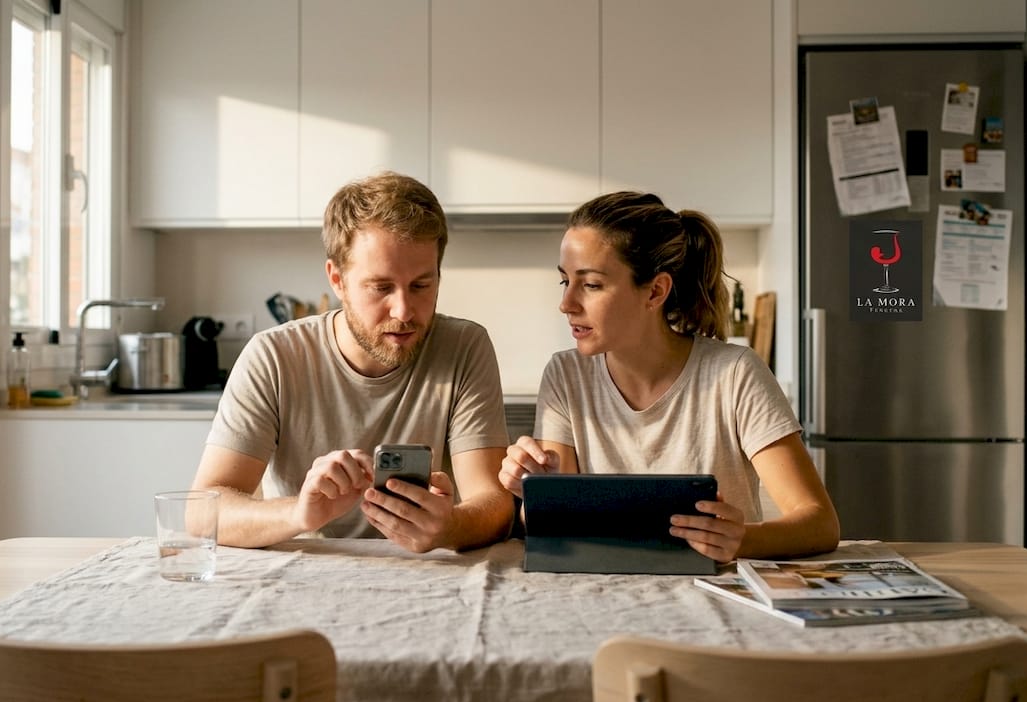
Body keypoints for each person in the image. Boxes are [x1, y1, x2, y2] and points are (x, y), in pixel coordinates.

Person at [499, 191, 840, 562]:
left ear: (655, 291)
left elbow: (819, 523)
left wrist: (742, 540)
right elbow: (552, 529)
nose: (566, 304)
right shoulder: (566, 375)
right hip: (604, 591)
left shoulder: (735, 374)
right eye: (566, 282)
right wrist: (533, 491)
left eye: (592, 284)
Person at [191, 172, 513, 553]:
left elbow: (494, 504)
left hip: (424, 576)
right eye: (381, 287)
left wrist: (450, 527)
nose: (404, 310)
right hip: (305, 571)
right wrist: (299, 515)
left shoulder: (463, 346)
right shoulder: (273, 356)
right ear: (337, 279)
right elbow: (202, 514)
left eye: (422, 286)